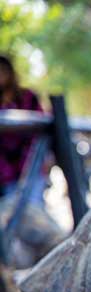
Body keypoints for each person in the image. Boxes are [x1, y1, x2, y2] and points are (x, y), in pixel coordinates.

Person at [0, 55, 44, 199]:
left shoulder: (28, 97)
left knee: (31, 207)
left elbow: (41, 129)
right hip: (3, 170)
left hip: (30, 164)